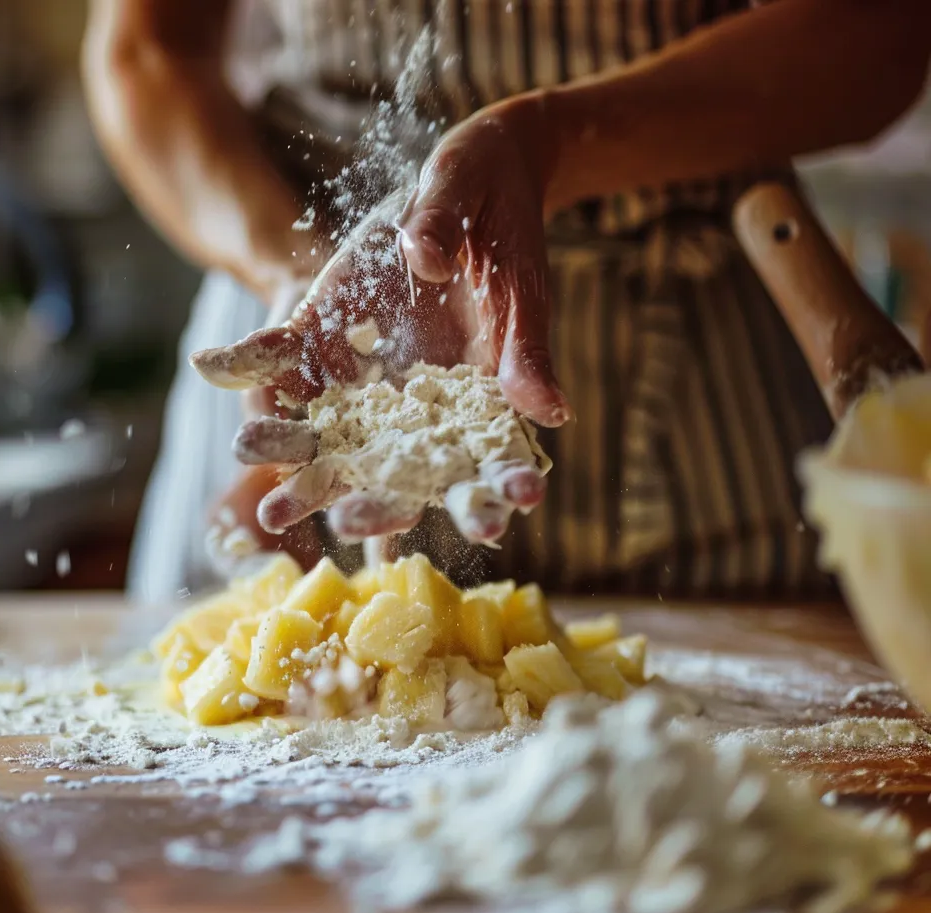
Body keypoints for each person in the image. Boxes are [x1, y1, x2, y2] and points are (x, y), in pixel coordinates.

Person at [83, 0, 930, 603]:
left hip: (701, 389)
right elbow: (147, 54)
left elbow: (875, 35)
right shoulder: (313, 295)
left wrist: (550, 143)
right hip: (330, 317)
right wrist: (292, 270)